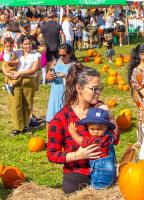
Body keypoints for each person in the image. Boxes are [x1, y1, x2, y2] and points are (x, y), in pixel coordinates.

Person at [47, 63, 119, 194]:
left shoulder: (98, 112)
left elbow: (115, 139)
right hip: (78, 171)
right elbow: (52, 155)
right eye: (94, 89)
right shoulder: (61, 118)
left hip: (103, 169)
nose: (98, 93)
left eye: (99, 88)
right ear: (79, 88)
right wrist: (77, 155)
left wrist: (111, 117)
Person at [68, 108, 116, 189]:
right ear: (87, 126)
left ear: (105, 127)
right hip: (111, 172)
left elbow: (81, 141)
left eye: (99, 129)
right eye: (92, 129)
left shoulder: (97, 140)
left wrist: (73, 133)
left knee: (96, 189)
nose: (96, 132)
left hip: (101, 175)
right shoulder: (108, 136)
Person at [2, 36, 40, 136]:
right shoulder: (16, 53)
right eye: (25, 44)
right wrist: (6, 73)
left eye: (29, 44)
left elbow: (34, 69)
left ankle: (25, 125)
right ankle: (17, 127)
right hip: (15, 81)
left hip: (29, 81)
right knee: (15, 104)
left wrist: (21, 73)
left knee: (27, 104)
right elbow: (5, 63)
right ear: (21, 45)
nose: (27, 46)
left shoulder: (36, 55)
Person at [45, 44, 76, 125]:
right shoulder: (56, 62)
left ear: (70, 54)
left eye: (64, 55)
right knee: (50, 120)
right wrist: (49, 76)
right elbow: (47, 76)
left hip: (66, 95)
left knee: (64, 120)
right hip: (55, 94)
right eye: (59, 55)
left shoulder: (74, 66)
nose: (61, 57)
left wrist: (65, 76)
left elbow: (76, 82)